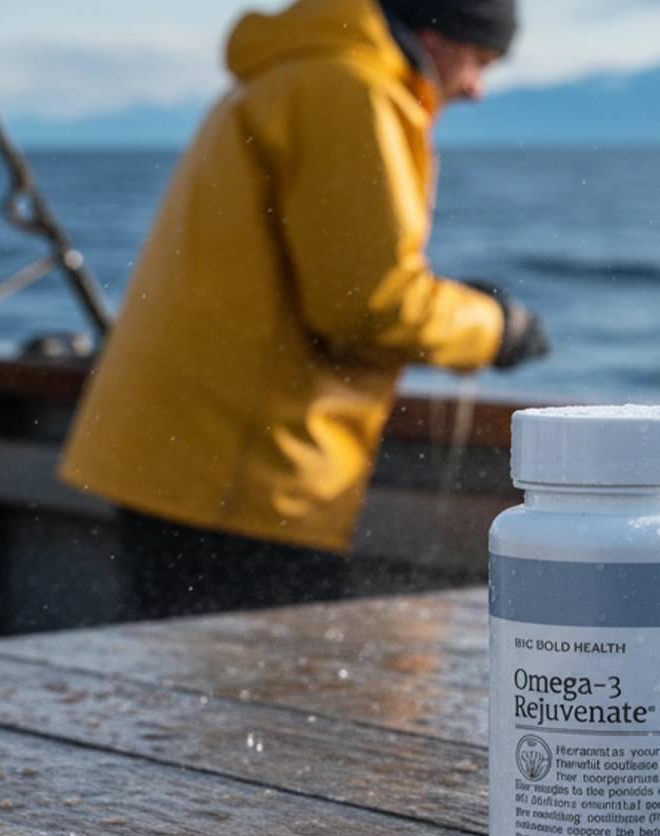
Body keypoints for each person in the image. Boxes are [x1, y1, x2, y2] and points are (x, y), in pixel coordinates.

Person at [57, 0, 548, 620]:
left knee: (187, 689)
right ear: (435, 35)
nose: (476, 88)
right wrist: (496, 329)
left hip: (182, 454)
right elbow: (366, 306)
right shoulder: (350, 88)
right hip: (244, 471)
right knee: (260, 698)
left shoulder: (292, 71)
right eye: (479, 60)